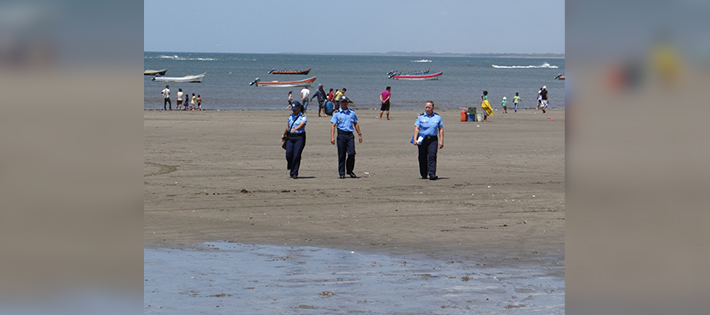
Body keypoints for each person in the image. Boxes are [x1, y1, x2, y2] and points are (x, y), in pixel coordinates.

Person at [330, 96, 362, 179]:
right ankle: (341, 172)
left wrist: (359, 134)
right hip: (341, 135)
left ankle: (350, 170)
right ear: (340, 103)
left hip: (350, 135)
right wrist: (332, 137)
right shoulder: (337, 113)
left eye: (345, 102)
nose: (344, 103)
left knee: (351, 153)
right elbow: (333, 125)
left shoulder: (352, 113)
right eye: (342, 102)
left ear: (347, 103)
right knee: (341, 154)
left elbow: (356, 123)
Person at [412, 101, 444, 180]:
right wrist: (415, 139)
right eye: (426, 107)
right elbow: (417, 128)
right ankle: (423, 174)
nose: (427, 109)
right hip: (422, 138)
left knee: (432, 156)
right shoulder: (421, 117)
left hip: (433, 139)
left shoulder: (437, 117)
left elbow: (441, 129)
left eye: (429, 107)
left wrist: (441, 141)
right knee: (422, 157)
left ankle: (432, 173)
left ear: (432, 108)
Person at [281, 101, 307, 179]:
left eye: (295, 109)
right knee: (288, 153)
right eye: (293, 109)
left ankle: (294, 172)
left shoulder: (303, 116)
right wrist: (283, 134)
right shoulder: (290, 116)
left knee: (296, 155)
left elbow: (302, 124)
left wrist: (295, 128)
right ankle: (290, 165)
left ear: (299, 108)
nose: (294, 111)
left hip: (299, 137)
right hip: (290, 137)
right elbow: (288, 126)